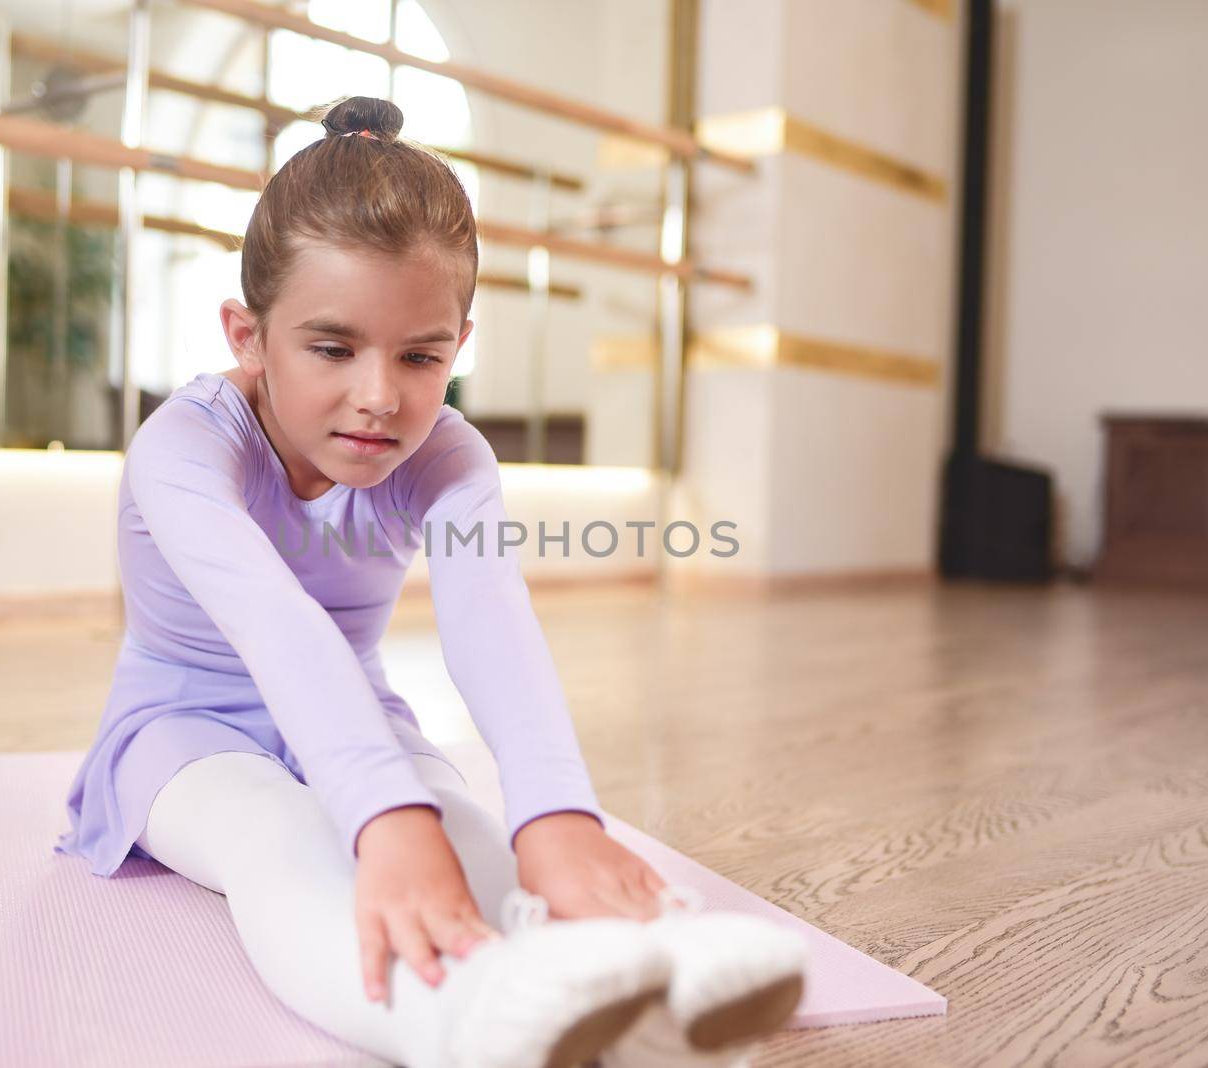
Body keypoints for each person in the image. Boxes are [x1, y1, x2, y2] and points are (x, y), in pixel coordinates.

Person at [54, 95, 802, 1068]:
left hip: (357, 706)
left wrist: (556, 819)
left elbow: (493, 629)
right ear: (247, 334)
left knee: (469, 832)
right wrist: (384, 823)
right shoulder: (183, 449)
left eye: (421, 356)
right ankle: (460, 1023)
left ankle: (640, 985)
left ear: (461, 343)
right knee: (274, 838)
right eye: (332, 348)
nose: (380, 396)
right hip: (182, 727)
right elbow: (277, 625)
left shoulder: (451, 457)